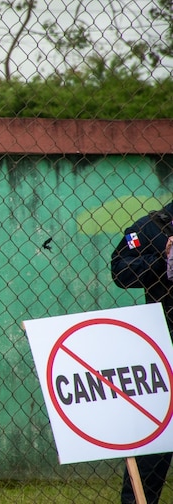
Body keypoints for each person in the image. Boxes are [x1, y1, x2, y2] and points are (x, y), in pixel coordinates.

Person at [111, 203, 173, 504]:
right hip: (164, 352)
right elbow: (121, 271)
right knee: (153, 447)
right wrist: (162, 258)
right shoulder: (151, 228)